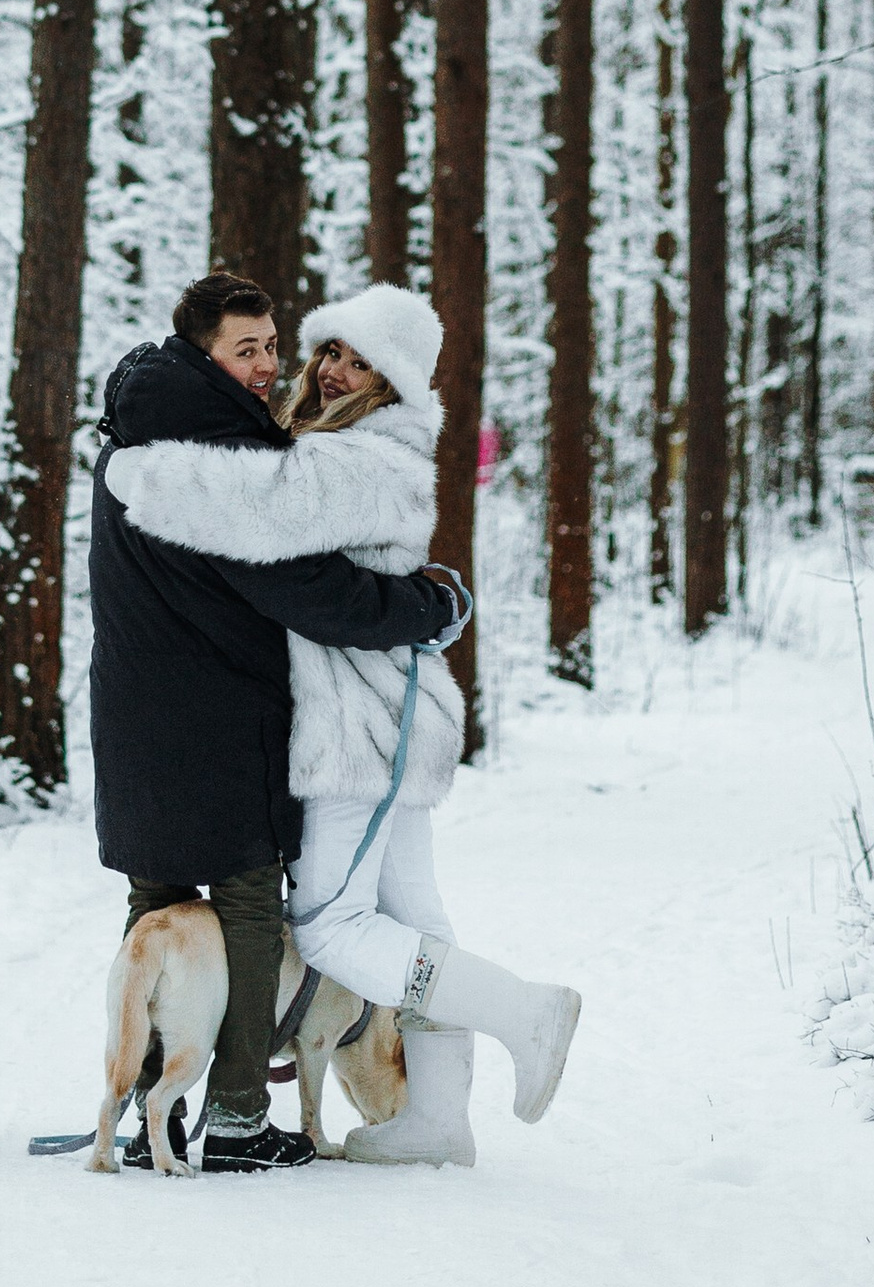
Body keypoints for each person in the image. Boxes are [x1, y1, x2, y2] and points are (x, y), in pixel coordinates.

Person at [103, 280, 581, 1167]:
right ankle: (439, 1119)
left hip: (359, 732)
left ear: (394, 383)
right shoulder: (340, 443)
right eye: (330, 350)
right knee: (415, 917)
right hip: (387, 720)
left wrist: (144, 472)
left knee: (329, 927)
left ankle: (527, 1011)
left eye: (362, 362)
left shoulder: (361, 456)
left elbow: (258, 508)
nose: (332, 371)